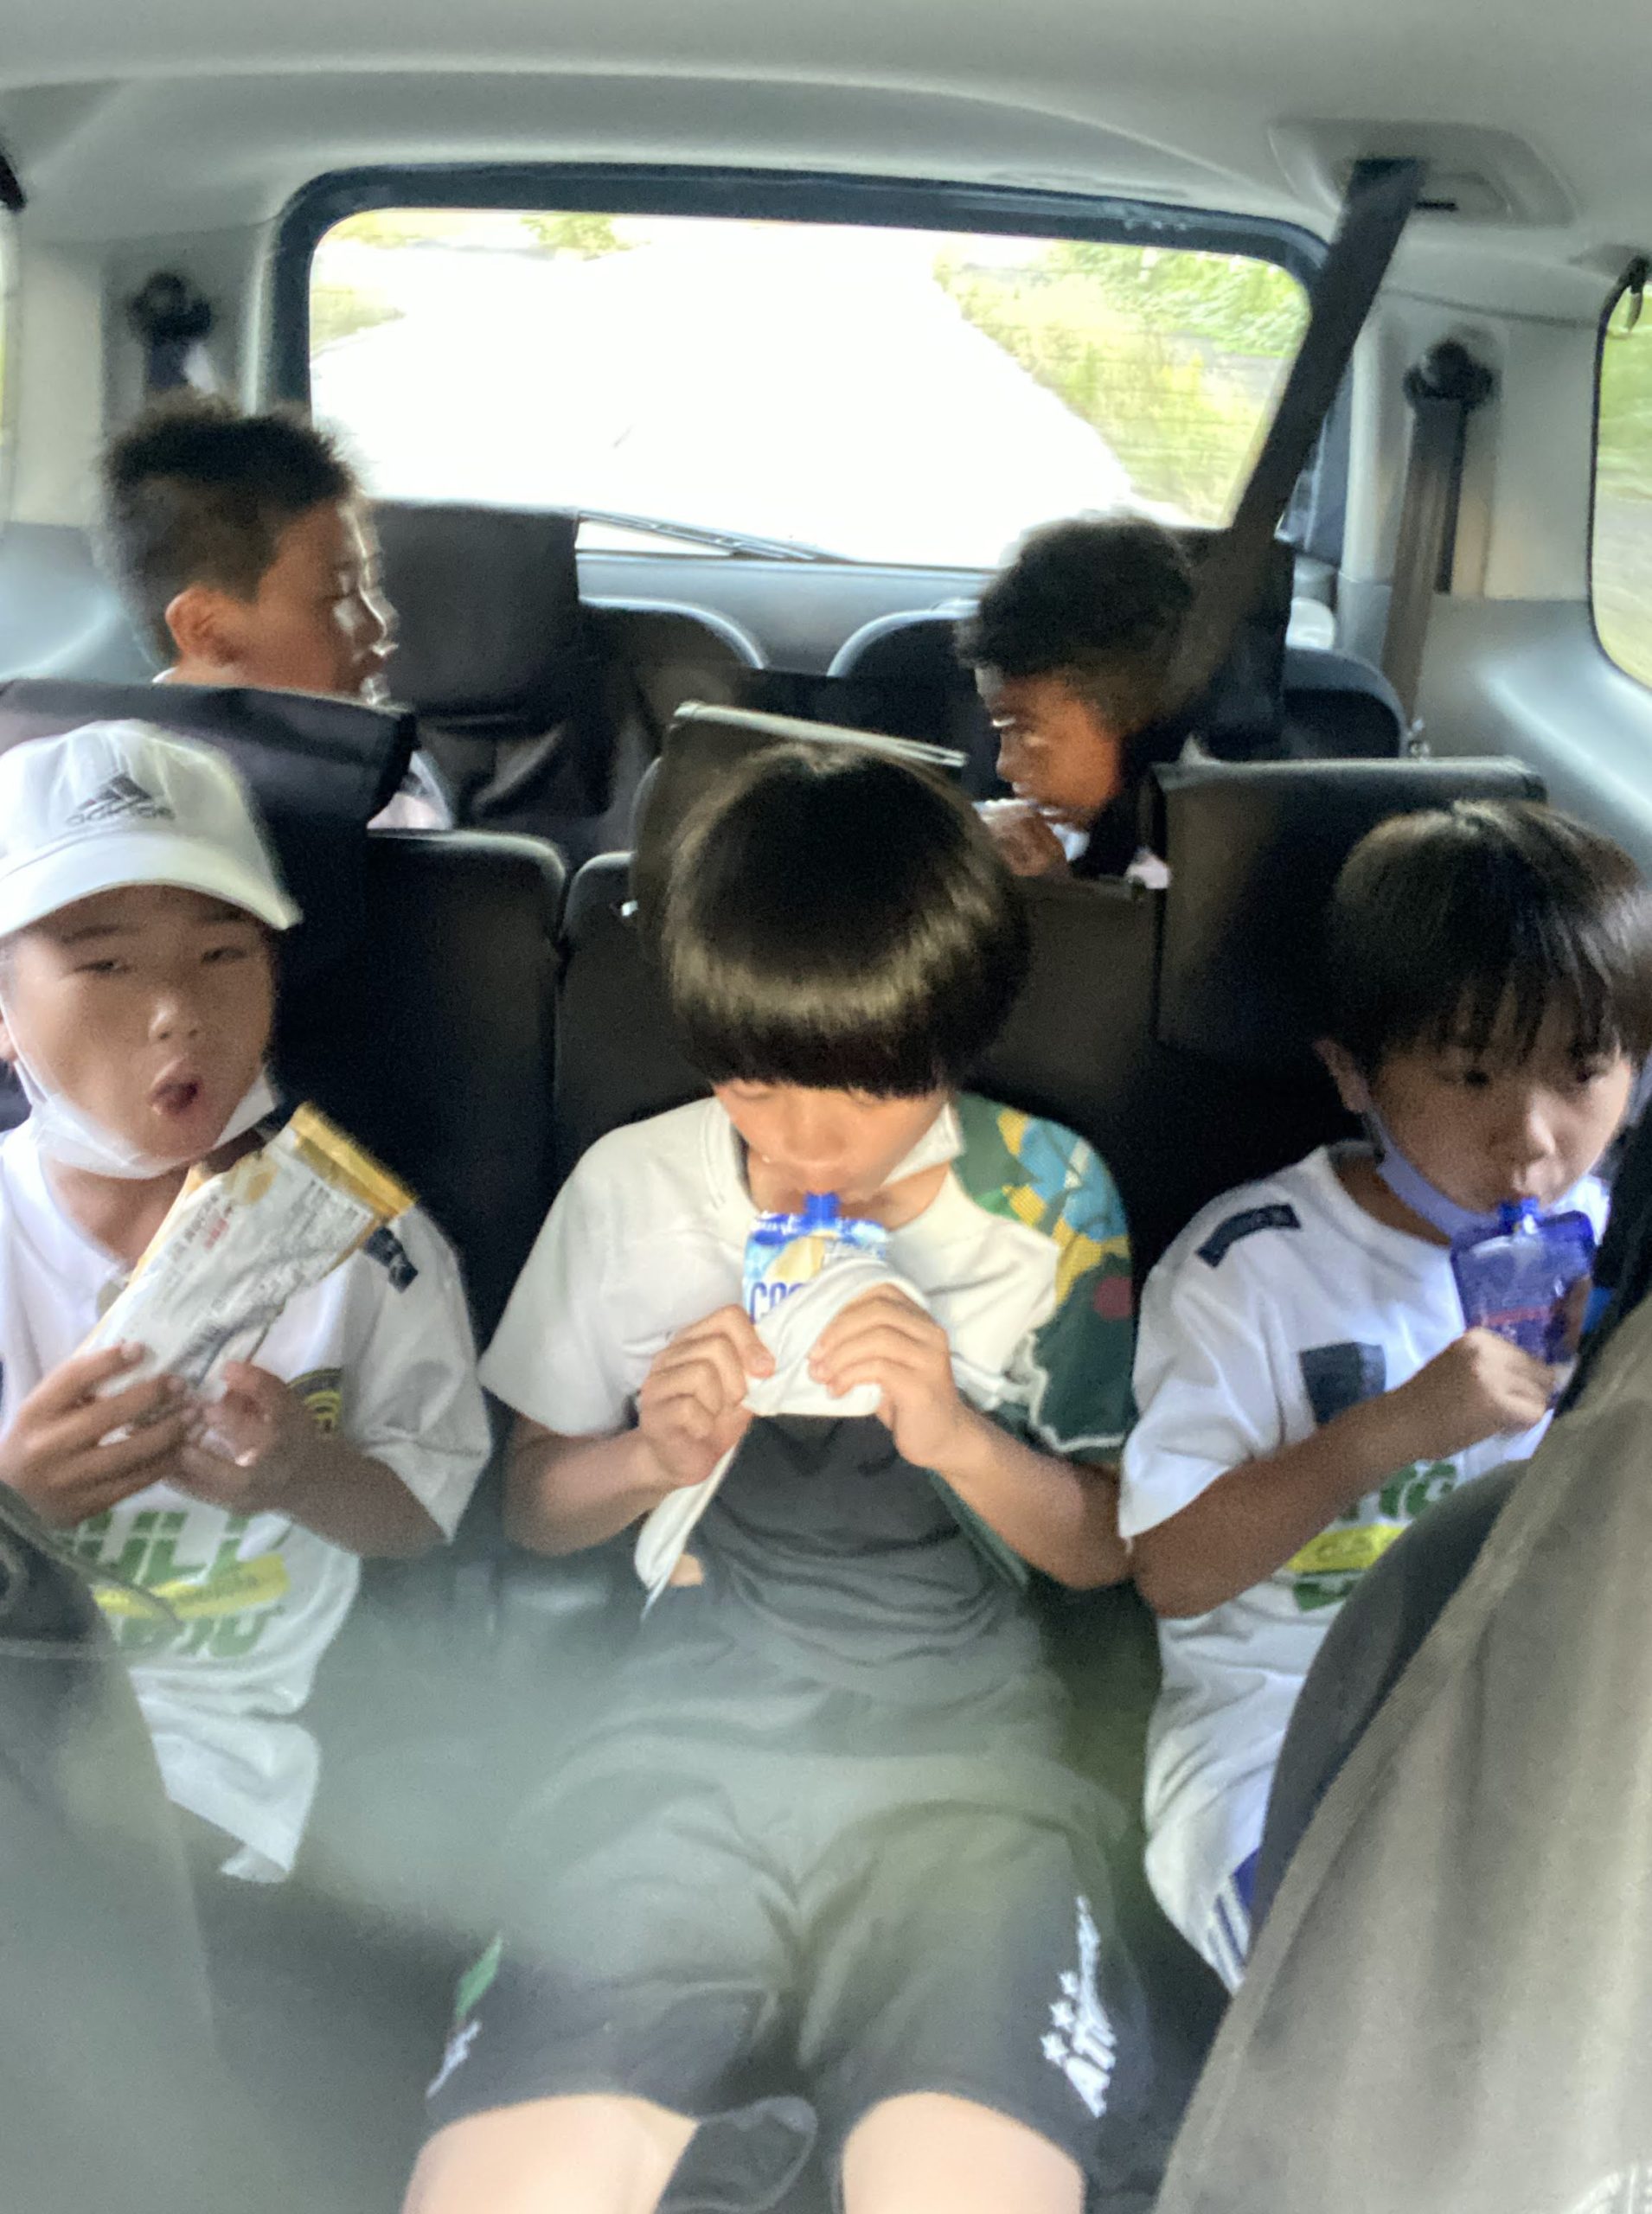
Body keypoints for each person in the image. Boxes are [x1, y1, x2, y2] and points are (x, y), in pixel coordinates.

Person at [407, 745, 1181, 2214]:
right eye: (756, 1080)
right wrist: (652, 1453)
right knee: (517, 2172)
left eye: (871, 1087)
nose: (809, 1139)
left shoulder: (1050, 1196)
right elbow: (533, 1509)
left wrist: (955, 1433)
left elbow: (1100, 1549)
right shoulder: (636, 1187)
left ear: (954, 1039)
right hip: (679, 1731)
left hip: (970, 1753)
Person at [0, 718, 490, 2186]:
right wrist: (14, 1506)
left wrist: (301, 1478)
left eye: (225, 955)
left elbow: (425, 1506)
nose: (179, 1013)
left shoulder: (365, 1250)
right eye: (104, 964)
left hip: (208, 1784)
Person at [1117, 798, 1652, 1987]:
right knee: (1361, 1996)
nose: (1531, 1140)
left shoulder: (1618, 1239)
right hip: (1286, 1717)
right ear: (1351, 1074)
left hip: (1544, 1688)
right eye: (1470, 1076)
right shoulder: (1248, 1269)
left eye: (1583, 1073)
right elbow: (1171, 1570)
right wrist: (1392, 1429)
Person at [99, 394, 449, 827]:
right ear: (206, 629)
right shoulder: (116, 797)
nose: (378, 624)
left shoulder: (390, 787)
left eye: (370, 586)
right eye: (338, 595)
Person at [958, 513, 1194, 883]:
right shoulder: (1069, 832)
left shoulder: (1179, 874)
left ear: (1132, 719)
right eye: (1002, 730)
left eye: (1026, 730)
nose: (1005, 766)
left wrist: (1056, 896)